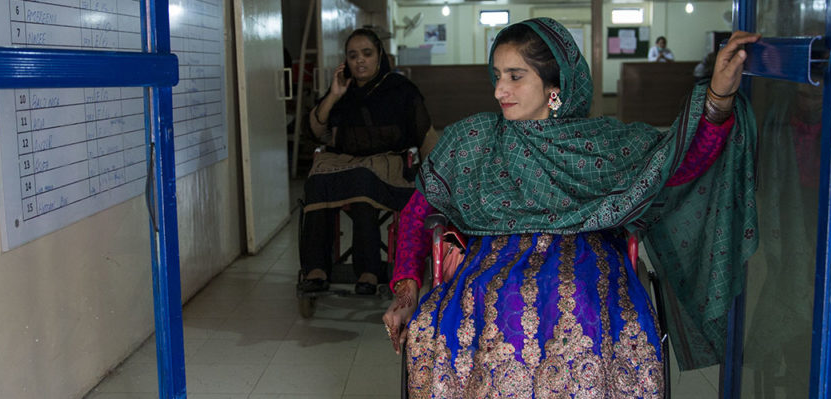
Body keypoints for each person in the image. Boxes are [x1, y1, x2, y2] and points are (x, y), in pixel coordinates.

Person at [382, 17, 760, 396]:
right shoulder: (473, 140)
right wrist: (406, 293)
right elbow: (418, 213)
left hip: (585, 260)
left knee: (573, 294)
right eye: (496, 75)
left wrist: (718, 98)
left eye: (515, 76)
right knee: (498, 294)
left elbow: (679, 164)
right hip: (492, 264)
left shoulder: (602, 144)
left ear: (554, 86)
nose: (499, 90)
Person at [298, 28, 432, 295]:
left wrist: (434, 178)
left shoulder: (401, 90)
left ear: (379, 55)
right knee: (317, 179)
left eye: (367, 53)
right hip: (343, 159)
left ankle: (369, 271)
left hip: (385, 161)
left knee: (363, 181)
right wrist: (334, 95)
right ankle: (316, 268)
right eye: (353, 55)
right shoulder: (343, 90)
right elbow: (314, 132)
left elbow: (424, 134)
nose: (360, 60)